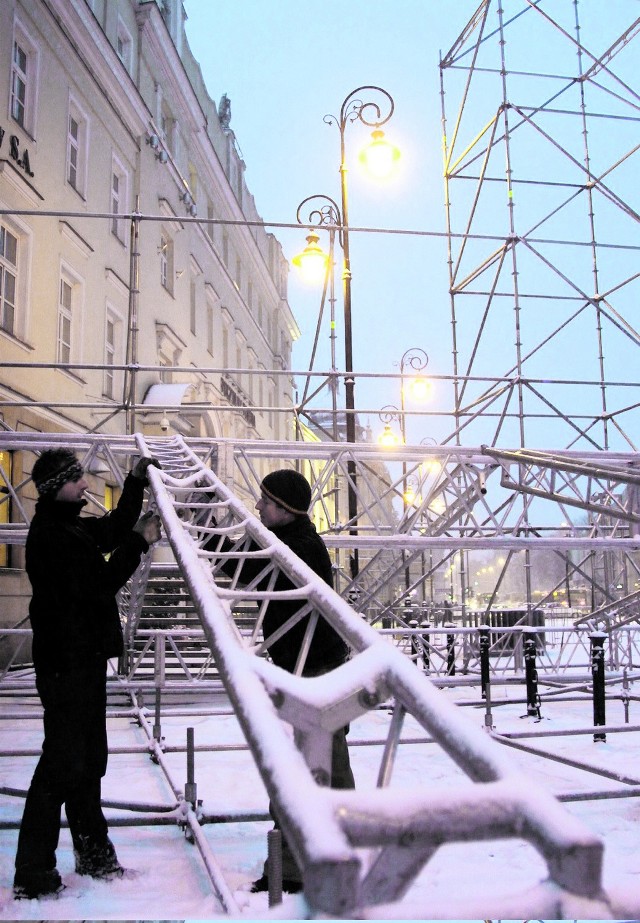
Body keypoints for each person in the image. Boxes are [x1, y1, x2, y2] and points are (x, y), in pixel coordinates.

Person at [13, 448, 161, 900]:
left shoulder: (68, 524)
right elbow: (99, 584)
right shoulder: (51, 536)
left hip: (80, 661)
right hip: (66, 665)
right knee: (62, 764)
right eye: (78, 480)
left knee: (86, 761)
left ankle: (95, 856)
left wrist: (134, 485)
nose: (86, 485)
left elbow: (110, 530)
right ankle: (33, 872)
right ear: (58, 486)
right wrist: (139, 541)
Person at [205, 468, 354, 893]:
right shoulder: (276, 542)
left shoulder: (302, 548)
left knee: (315, 771)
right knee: (320, 769)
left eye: (266, 502)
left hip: (318, 670)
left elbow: (248, 571)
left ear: (286, 510)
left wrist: (229, 538)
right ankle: (318, 858)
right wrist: (214, 530)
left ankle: (300, 866)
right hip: (304, 668)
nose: (257, 507)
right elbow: (238, 569)